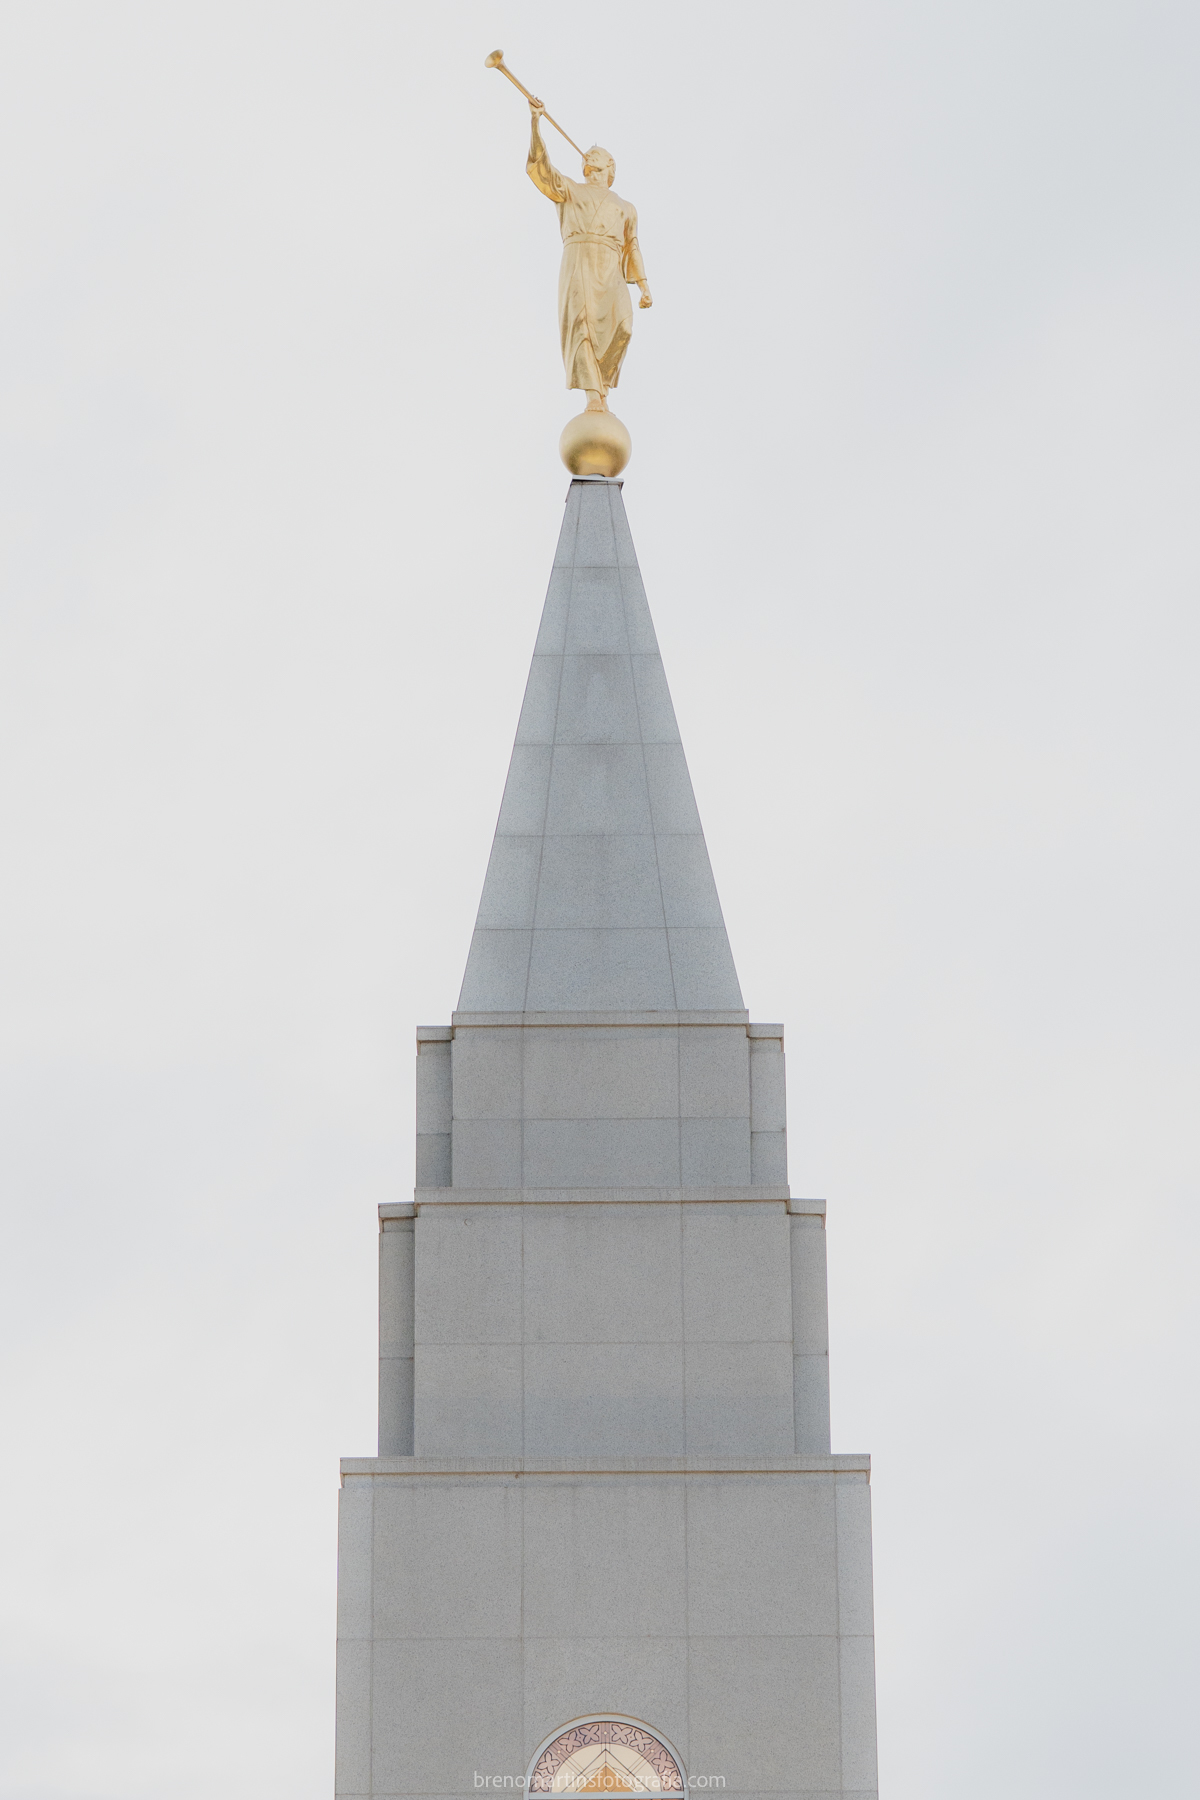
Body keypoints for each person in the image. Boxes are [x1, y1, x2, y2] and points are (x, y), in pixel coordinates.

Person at [527, 97, 652, 414]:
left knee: (623, 324)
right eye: (588, 153)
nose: (589, 155)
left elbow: (632, 246)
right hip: (579, 260)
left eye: (597, 154)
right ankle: (594, 395)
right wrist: (536, 123)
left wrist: (644, 285)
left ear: (610, 167)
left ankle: (603, 383)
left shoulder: (626, 207)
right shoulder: (570, 190)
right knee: (581, 327)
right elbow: (542, 169)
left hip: (610, 265)